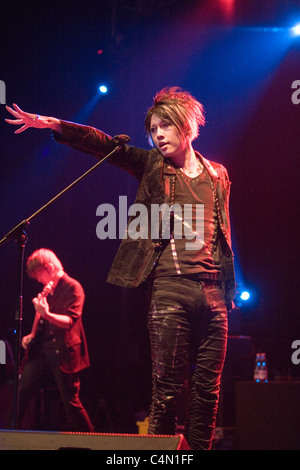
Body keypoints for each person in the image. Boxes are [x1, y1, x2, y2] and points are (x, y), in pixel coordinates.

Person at [5, 87, 235, 449]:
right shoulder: (153, 166)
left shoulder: (218, 174)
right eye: (153, 129)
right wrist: (59, 126)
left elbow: (223, 235)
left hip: (213, 293)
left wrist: (226, 289)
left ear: (187, 125)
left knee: (208, 392)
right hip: (170, 290)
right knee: (168, 391)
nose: (158, 135)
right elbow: (106, 145)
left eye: (165, 126)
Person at [16, 248, 93, 432]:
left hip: (63, 351)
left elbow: (70, 322)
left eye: (39, 275)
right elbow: (40, 314)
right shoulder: (48, 288)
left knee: (70, 402)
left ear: (49, 267)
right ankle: (7, 436)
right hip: (42, 351)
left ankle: (92, 440)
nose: (38, 279)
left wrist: (47, 314)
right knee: (20, 391)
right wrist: (32, 335)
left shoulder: (73, 287)